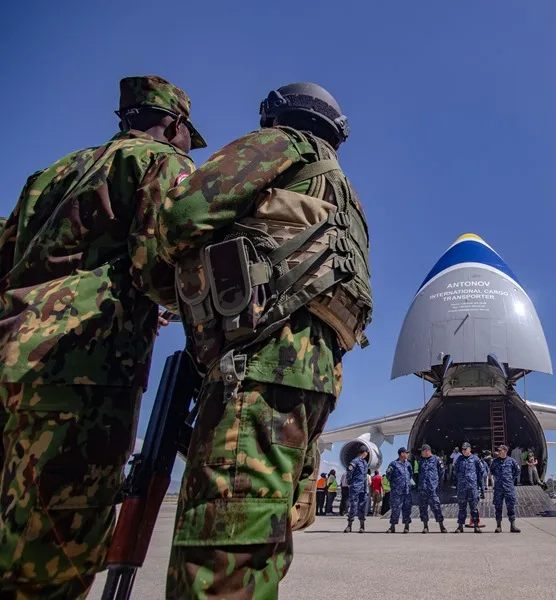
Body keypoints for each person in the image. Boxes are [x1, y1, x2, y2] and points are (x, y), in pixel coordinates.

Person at [157, 82, 373, 596]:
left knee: (221, 548)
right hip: (314, 383)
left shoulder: (281, 147)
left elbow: (180, 217)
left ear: (276, 118)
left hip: (258, 368)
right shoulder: (350, 204)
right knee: (260, 544)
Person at [0, 74, 203, 599]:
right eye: (188, 134)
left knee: (9, 532)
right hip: (82, 369)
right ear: (174, 123)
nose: (188, 145)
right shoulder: (161, 163)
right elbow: (162, 262)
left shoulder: (49, 174)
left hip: (12, 358)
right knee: (57, 555)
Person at [453, 442, 485, 533]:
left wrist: (480, 487)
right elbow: (455, 472)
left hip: (472, 488)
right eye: (462, 449)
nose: (463, 451)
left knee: (474, 508)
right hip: (462, 488)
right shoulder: (459, 459)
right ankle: (460, 526)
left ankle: (476, 526)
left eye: (465, 449)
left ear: (470, 449)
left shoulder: (475, 459)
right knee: (461, 508)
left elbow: (481, 472)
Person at [489, 445, 521, 533]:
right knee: (498, 507)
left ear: (505, 451)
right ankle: (498, 526)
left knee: (510, 506)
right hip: (498, 488)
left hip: (509, 487)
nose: (498, 452)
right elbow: (491, 471)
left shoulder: (511, 461)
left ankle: (513, 525)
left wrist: (510, 478)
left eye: (500, 450)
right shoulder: (495, 462)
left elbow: (517, 471)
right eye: (498, 451)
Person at [417, 444, 447, 533]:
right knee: (423, 508)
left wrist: (437, 483)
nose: (421, 453)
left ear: (427, 451)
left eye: (422, 451)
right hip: (423, 489)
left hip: (432, 488)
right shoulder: (420, 461)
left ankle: (441, 526)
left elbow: (442, 472)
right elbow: (418, 473)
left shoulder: (436, 459)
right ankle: (425, 526)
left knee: (436, 507)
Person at [385, 447, 414, 533]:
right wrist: (395, 484)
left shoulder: (408, 464)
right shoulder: (393, 464)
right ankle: (392, 526)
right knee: (395, 509)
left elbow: (410, 475)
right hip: (396, 492)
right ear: (402, 454)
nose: (408, 454)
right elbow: (388, 475)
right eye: (406, 453)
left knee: (407, 509)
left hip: (407, 491)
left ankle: (406, 526)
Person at [344, 448, 370, 533]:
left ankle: (362, 526)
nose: (367, 454)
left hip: (363, 488)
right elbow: (349, 472)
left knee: (362, 506)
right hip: (355, 487)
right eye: (366, 452)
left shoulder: (365, 462)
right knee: (353, 506)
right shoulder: (355, 461)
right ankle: (349, 525)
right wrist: (350, 482)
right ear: (364, 452)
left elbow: (365, 475)